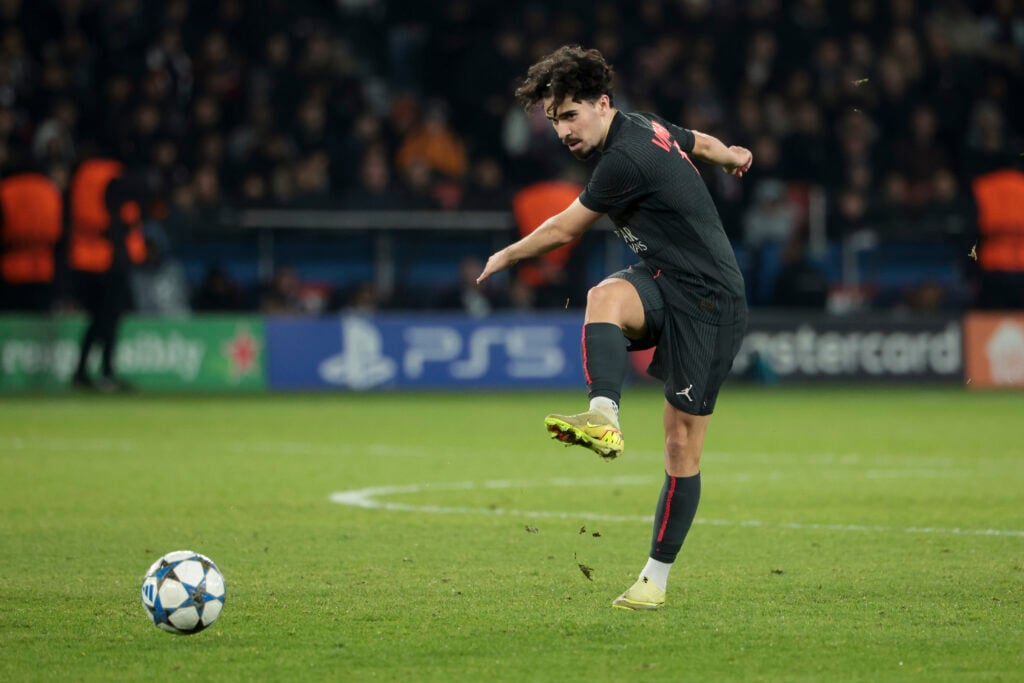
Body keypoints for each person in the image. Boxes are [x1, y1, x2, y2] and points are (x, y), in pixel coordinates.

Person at [476, 46, 751, 611]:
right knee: (603, 297)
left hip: (710, 301)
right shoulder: (644, 124)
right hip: (664, 278)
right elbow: (695, 141)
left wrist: (506, 254)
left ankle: (655, 579)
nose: (563, 131)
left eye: (570, 115)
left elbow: (563, 229)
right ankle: (603, 415)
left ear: (603, 104)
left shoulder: (625, 158)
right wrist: (731, 155)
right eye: (554, 120)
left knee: (681, 445)